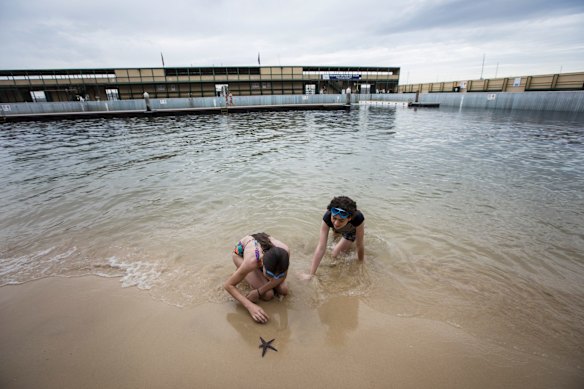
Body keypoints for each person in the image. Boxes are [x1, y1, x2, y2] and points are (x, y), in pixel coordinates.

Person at [224, 232, 290, 324]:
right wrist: (250, 306)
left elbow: (282, 277)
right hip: (240, 255)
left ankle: (248, 274)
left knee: (284, 290)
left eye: (278, 275)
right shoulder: (252, 261)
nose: (273, 279)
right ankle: (241, 271)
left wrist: (258, 291)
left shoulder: (284, 252)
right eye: (270, 275)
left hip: (262, 249)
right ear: (261, 263)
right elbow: (228, 285)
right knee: (268, 295)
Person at [301, 196, 365, 280]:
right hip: (338, 227)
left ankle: (345, 240)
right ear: (331, 213)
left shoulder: (358, 218)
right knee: (335, 235)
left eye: (341, 220)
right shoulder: (327, 217)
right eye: (334, 218)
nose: (337, 223)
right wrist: (311, 274)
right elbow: (321, 247)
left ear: (349, 218)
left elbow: (359, 245)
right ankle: (339, 232)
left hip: (351, 230)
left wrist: (361, 263)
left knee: (335, 253)